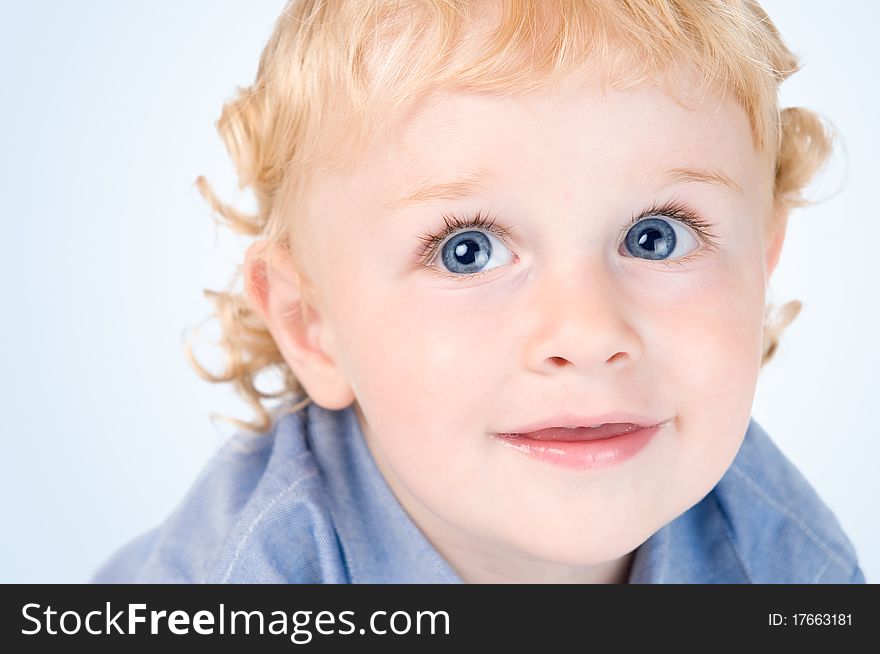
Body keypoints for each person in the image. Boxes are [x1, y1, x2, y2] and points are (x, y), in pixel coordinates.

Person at [92, 0, 865, 583]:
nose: (588, 331)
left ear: (762, 264)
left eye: (656, 236)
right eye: (468, 251)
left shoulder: (784, 557)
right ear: (311, 321)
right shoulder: (251, 579)